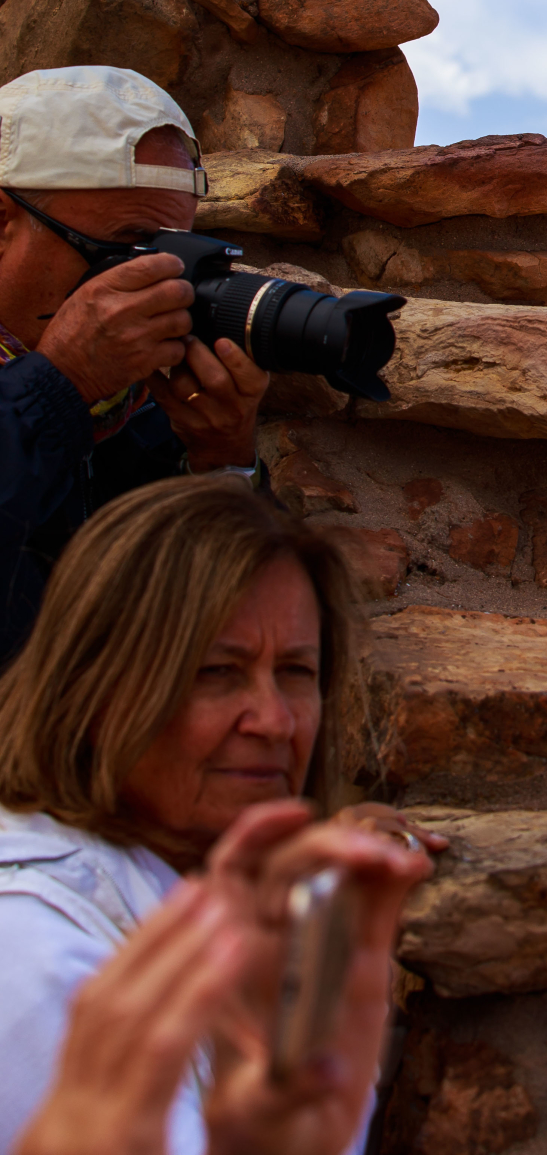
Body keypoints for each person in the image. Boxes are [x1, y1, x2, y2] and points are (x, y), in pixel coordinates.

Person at [0, 475, 435, 1155]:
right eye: (217, 672)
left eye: (295, 671)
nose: (273, 721)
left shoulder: (197, 891)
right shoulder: (30, 948)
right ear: (94, 691)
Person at [0, 64, 270, 660]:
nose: (154, 284)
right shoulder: (77, 389)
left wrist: (221, 465)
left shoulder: (133, 411)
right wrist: (61, 384)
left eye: (174, 252)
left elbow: (218, 632)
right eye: (123, 249)